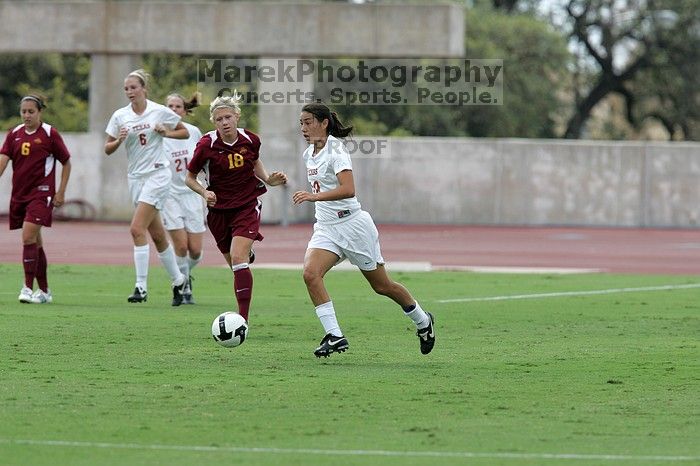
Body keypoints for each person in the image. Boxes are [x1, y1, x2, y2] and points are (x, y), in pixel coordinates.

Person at [292, 102, 435, 358]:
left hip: (353, 226)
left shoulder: (336, 149)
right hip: (326, 228)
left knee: (382, 286)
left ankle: (423, 320)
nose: (303, 127)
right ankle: (335, 335)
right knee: (310, 274)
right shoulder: (308, 154)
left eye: (309, 122)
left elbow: (348, 189)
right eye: (301, 122)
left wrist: (315, 198)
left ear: (324, 123)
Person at [185, 92, 287, 322]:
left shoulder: (251, 140)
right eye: (219, 119)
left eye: (228, 117)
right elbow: (189, 178)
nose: (224, 122)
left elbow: (254, 161)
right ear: (214, 122)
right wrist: (204, 191)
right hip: (219, 212)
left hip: (247, 205)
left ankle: (243, 320)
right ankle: (245, 254)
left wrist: (268, 179)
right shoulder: (206, 145)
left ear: (237, 116)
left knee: (239, 259)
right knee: (235, 264)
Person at [104, 69, 188, 306]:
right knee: (158, 235)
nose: (129, 92)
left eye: (133, 87)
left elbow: (183, 131)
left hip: (158, 174)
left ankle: (140, 286)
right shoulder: (120, 116)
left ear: (144, 89)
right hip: (136, 178)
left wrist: (166, 132)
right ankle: (179, 280)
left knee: (136, 228)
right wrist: (119, 140)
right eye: (126, 88)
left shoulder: (158, 110)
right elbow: (107, 149)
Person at [0, 94, 72, 304]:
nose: (27, 115)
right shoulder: (14, 134)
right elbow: (3, 161)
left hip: (42, 194)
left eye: (31, 111)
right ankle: (45, 291)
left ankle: (27, 288)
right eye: (23, 111)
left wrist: (61, 192)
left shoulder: (50, 134)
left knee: (28, 237)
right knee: (36, 242)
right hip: (20, 195)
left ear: (40, 112)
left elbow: (66, 162)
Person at [162, 92, 206, 304]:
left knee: (196, 251)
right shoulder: (159, 134)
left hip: (192, 193)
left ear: (184, 110)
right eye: (169, 106)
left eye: (177, 106)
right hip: (169, 195)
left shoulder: (194, 132)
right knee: (180, 247)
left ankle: (183, 275)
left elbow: (204, 159)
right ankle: (182, 285)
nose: (173, 110)